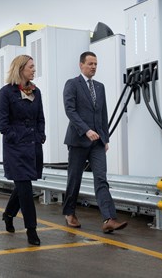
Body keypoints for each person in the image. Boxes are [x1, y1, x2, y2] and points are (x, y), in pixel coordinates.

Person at [62, 51, 128, 233]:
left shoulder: (100, 87)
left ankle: (109, 218)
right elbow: (70, 111)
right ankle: (69, 213)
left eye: (96, 64)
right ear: (81, 65)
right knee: (74, 179)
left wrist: (105, 138)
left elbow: (103, 114)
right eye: (90, 63)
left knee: (101, 178)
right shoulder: (72, 84)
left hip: (97, 142)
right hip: (78, 141)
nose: (93, 67)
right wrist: (86, 130)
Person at [0, 54, 46, 246]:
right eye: (31, 67)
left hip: (33, 146)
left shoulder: (37, 91)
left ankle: (8, 215)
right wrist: (17, 138)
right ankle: (32, 230)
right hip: (16, 149)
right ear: (20, 69)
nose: (34, 70)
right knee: (26, 188)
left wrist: (40, 136)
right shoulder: (6, 92)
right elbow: (3, 125)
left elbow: (40, 118)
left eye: (34, 66)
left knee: (22, 185)